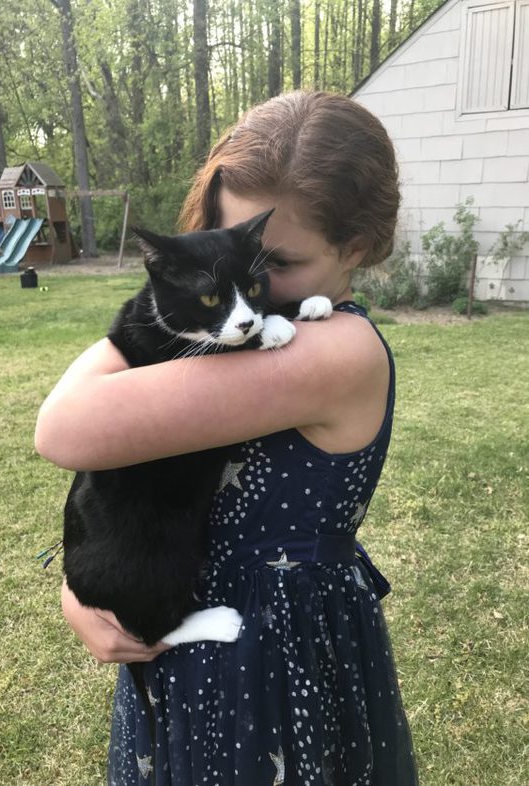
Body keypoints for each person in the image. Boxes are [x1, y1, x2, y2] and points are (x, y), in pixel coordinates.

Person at [35, 90, 419, 786]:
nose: (250, 290)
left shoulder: (332, 354)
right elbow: (112, 476)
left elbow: (65, 427)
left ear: (355, 246)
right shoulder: (240, 334)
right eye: (229, 244)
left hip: (271, 660)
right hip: (188, 626)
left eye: (273, 262)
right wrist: (83, 587)